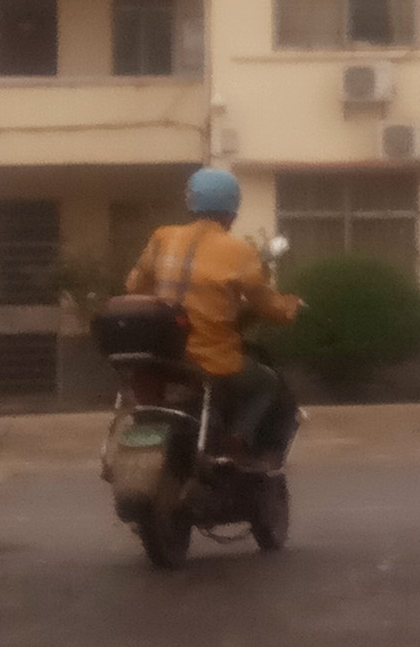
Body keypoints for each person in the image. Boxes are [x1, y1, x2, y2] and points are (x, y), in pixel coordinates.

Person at [128, 165, 302, 463]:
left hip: (163, 353)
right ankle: (237, 443)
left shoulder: (162, 237)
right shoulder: (239, 251)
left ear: (191, 202)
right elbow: (270, 307)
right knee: (267, 384)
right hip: (210, 358)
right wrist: (291, 306)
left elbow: (134, 286)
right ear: (232, 211)